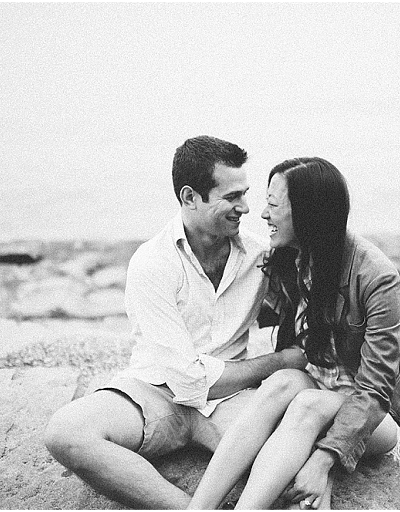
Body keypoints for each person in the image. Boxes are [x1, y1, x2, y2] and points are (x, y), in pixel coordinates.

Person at [43, 136, 311, 509]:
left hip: (231, 399)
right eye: (231, 197)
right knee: (66, 432)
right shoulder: (152, 262)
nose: (245, 208)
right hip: (157, 391)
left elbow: (310, 305)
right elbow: (187, 380)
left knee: (296, 475)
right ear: (189, 198)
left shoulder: (260, 257)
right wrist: (277, 363)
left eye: (245, 194)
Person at [187, 157, 400, 510]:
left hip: (374, 413)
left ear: (308, 213)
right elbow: (231, 307)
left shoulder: (375, 275)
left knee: (306, 404)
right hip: (318, 383)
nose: (263, 215)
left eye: (272, 205)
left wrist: (321, 463)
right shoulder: (288, 259)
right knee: (282, 382)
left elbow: (374, 391)